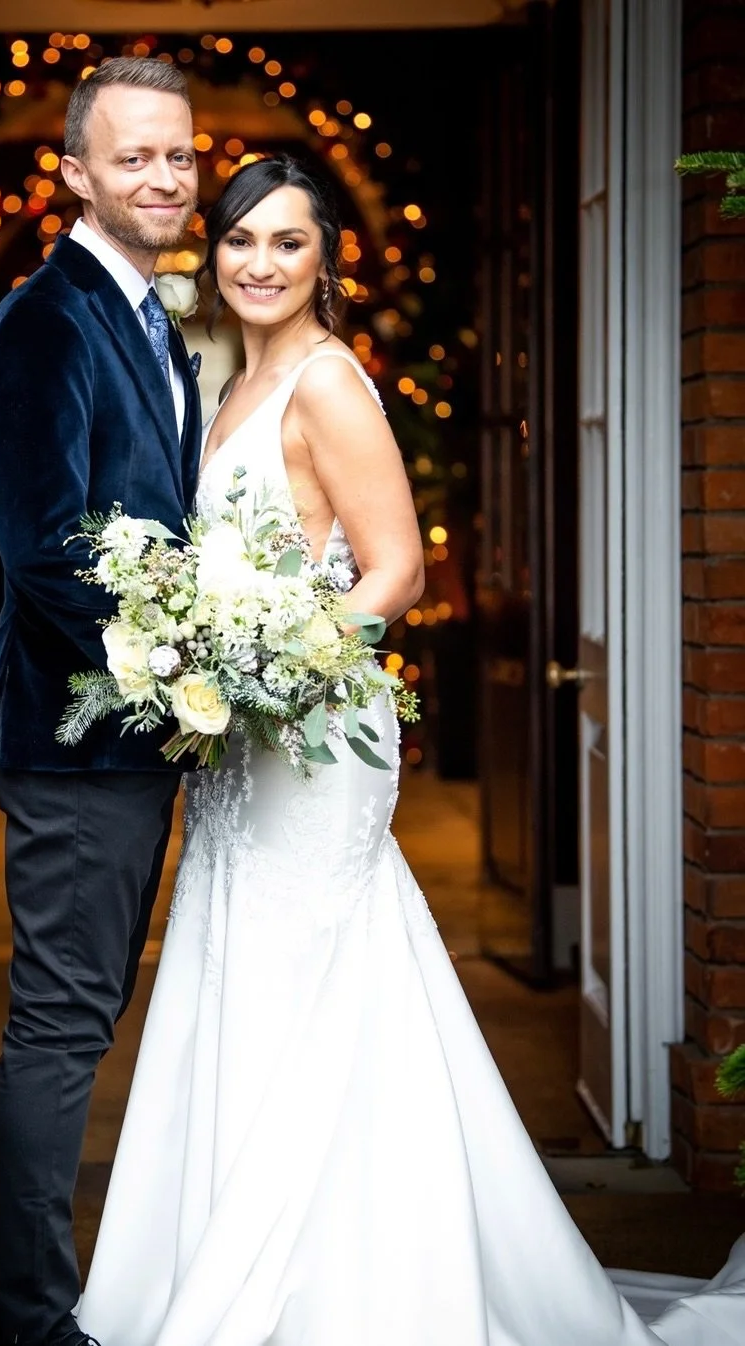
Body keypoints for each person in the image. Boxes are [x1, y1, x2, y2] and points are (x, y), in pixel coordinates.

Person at [77, 155, 745, 1346]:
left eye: (289, 241)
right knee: (243, 973)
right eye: (241, 239)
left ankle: (346, 1294)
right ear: (213, 254)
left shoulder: (330, 381)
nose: (261, 263)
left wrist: (274, 664)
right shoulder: (228, 381)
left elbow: (396, 568)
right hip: (240, 740)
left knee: (312, 973)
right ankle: (235, 1256)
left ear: (326, 258)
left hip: (312, 730)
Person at [0, 58, 201, 1346]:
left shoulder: (153, 320)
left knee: (80, 1016)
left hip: (138, 740)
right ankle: (17, 1320)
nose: (163, 177)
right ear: (75, 174)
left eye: (180, 155)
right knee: (60, 1025)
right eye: (133, 156)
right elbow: (45, 548)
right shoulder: (46, 320)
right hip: (75, 739)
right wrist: (184, 659)